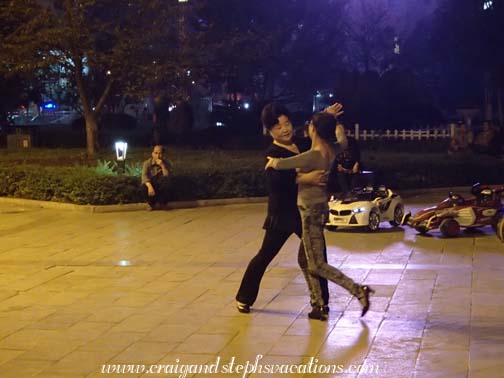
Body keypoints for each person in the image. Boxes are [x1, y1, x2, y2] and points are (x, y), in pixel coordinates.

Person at [266, 111, 374, 321]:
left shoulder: (315, 154)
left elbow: (284, 163)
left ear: (313, 130)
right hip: (319, 208)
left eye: (310, 124)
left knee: (316, 264)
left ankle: (358, 290)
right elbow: (342, 139)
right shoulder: (331, 149)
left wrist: (273, 163)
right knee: (304, 259)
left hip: (310, 211)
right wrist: (332, 120)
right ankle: (318, 306)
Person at [235, 103, 330, 315]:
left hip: (306, 210)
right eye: (278, 127)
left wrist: (326, 118)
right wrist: (308, 177)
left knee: (318, 253)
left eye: (286, 123)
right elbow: (278, 182)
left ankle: (322, 302)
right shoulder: (272, 152)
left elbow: (319, 141)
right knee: (265, 255)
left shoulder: (301, 143)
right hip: (283, 213)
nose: (285, 129)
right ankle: (244, 297)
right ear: (270, 131)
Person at [327, 123, 361, 194]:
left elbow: (357, 154)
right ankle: (345, 193)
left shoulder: (352, 141)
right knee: (340, 175)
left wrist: (356, 163)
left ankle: (353, 193)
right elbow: (335, 157)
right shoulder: (334, 144)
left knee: (355, 176)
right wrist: (340, 167)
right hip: (341, 167)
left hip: (352, 165)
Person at [141, 145, 171, 210]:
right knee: (144, 186)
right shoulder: (147, 163)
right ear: (152, 154)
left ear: (163, 154)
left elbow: (167, 176)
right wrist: (149, 186)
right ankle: (151, 204)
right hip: (151, 183)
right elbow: (144, 176)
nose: (158, 155)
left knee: (166, 183)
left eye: (160, 153)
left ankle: (162, 203)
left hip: (160, 184)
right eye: (156, 153)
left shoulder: (166, 163)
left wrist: (162, 166)